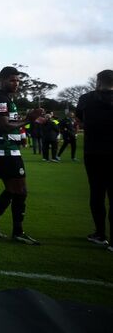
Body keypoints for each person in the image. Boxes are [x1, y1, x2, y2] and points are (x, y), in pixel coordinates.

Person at [0, 66, 41, 245]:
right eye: (12, 80)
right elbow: (5, 125)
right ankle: (18, 232)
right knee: (21, 191)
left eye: (18, 80)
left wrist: (29, 120)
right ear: (3, 80)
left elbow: (11, 122)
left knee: (12, 190)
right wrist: (28, 119)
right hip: (6, 149)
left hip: (8, 148)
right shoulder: (1, 99)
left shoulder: (6, 99)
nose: (16, 83)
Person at [76, 69, 113, 250]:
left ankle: (100, 233)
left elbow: (80, 118)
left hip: (94, 152)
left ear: (98, 82)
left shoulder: (86, 99)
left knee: (97, 193)